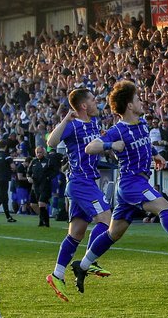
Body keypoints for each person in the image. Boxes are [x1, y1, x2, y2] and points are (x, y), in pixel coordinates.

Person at [73, 80, 168, 293]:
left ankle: (81, 266)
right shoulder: (117, 130)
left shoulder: (143, 123)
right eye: (137, 98)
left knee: (113, 234)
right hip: (131, 182)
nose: (141, 101)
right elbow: (91, 147)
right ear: (128, 105)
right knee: (164, 206)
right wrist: (110, 145)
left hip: (135, 183)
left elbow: (145, 143)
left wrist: (156, 155)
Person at [45, 88, 113, 301]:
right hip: (80, 182)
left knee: (76, 234)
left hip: (86, 182)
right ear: (83, 105)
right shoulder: (72, 126)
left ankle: (57, 274)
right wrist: (65, 118)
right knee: (107, 220)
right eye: (93, 100)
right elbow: (51, 143)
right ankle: (87, 262)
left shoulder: (94, 124)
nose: (97, 103)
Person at [27, 146, 52, 227]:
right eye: (37, 152)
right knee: (33, 204)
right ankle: (41, 220)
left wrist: (49, 177)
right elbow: (29, 172)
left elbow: (54, 171)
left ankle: (46, 223)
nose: (38, 154)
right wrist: (29, 177)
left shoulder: (48, 161)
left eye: (40, 152)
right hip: (35, 186)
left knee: (41, 204)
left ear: (44, 153)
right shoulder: (33, 162)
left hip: (45, 186)